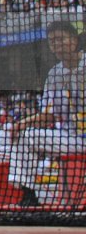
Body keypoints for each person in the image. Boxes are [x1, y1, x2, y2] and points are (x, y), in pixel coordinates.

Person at [7, 20, 85, 207]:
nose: (56, 45)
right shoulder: (54, 75)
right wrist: (21, 124)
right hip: (72, 138)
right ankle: (28, 194)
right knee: (26, 137)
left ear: (74, 40)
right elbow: (49, 114)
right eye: (52, 42)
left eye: (60, 39)